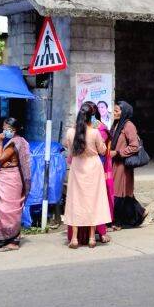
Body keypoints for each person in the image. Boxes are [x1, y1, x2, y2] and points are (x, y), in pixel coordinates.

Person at [64, 103, 112, 249]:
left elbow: (67, 146)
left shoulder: (70, 132)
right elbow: (103, 151)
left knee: (75, 201)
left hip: (77, 166)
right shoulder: (95, 132)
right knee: (94, 201)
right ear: (92, 116)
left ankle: (74, 238)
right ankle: (92, 238)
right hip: (93, 167)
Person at [0, 117, 31, 251]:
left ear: (12, 129)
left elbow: (0, 159)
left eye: (5, 128)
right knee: (6, 209)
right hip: (12, 178)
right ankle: (9, 238)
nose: (3, 131)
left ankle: (11, 240)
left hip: (9, 179)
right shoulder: (21, 141)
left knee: (7, 210)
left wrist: (0, 142)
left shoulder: (14, 143)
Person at [110, 101, 148, 229]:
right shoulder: (116, 125)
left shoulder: (128, 125)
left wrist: (118, 153)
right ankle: (140, 212)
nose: (114, 113)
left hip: (122, 164)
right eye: (114, 110)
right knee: (121, 192)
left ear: (124, 113)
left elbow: (134, 146)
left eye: (116, 111)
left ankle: (118, 222)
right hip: (114, 163)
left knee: (119, 193)